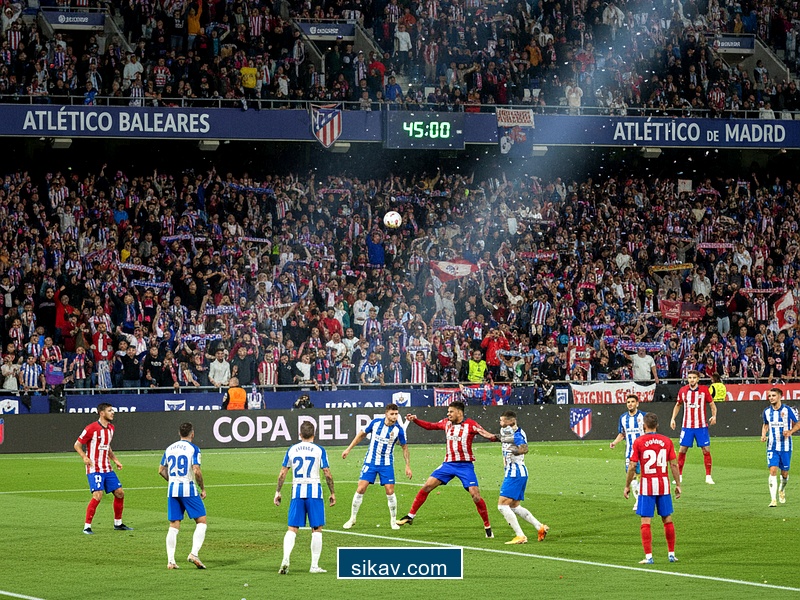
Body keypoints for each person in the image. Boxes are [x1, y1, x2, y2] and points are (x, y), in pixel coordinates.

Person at [396, 401, 496, 538]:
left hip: (465, 466)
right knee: (427, 486)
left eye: (451, 411)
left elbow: (485, 434)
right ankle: (410, 515)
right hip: (448, 465)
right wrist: (416, 420)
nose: (448, 414)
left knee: (475, 495)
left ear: (459, 413)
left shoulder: (471, 424)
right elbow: (431, 426)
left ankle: (487, 527)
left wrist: (498, 438)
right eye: (448, 412)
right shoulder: (446, 423)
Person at [274, 421, 335, 574]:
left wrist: (278, 492)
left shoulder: (292, 449)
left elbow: (282, 473)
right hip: (314, 492)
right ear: (314, 434)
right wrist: (332, 492)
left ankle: (286, 558)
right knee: (317, 529)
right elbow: (327, 473)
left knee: (292, 528)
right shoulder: (319, 450)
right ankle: (314, 565)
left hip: (297, 491)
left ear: (300, 435)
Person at [478, 410, 549, 544]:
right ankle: (539, 527)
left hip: (515, 473)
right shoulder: (509, 432)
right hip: (519, 473)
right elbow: (499, 437)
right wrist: (481, 431)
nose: (500, 422)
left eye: (503, 420)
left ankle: (520, 535)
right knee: (514, 506)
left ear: (511, 421)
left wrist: (515, 451)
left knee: (502, 506)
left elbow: (524, 448)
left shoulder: (517, 434)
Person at [341, 403, 412, 530]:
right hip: (371, 462)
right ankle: (352, 519)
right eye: (392, 414)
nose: (394, 416)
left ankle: (393, 520)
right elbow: (361, 435)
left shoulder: (398, 430)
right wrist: (348, 449)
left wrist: (407, 465)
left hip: (386, 464)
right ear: (386, 414)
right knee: (361, 489)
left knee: (390, 491)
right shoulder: (375, 423)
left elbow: (404, 448)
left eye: (396, 414)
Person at [624, 412, 681, 564]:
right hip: (663, 485)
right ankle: (671, 554)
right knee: (667, 518)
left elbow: (632, 466)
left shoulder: (639, 442)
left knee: (645, 521)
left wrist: (627, 485)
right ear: (657, 425)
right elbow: (674, 465)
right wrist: (678, 485)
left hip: (647, 486)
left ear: (644, 425)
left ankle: (649, 557)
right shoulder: (667, 441)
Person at [74, 402, 132, 534]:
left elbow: (107, 446)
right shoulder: (91, 428)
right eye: (110, 410)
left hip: (107, 468)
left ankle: (118, 523)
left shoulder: (111, 428)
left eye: (112, 410)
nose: (113, 412)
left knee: (120, 493)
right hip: (94, 468)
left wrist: (115, 460)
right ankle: (87, 526)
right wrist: (84, 457)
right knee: (98, 495)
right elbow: (77, 444)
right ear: (102, 413)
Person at [158, 422, 207, 569]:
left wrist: (172, 481)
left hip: (172, 489)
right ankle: (194, 553)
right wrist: (202, 488)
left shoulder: (169, 448)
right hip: (188, 488)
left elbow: (161, 470)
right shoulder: (194, 449)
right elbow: (196, 470)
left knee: (173, 525)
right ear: (192, 434)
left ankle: (171, 561)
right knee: (201, 521)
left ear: (179, 434)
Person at [670, 370, 717, 484]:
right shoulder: (683, 391)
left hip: (701, 426)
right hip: (687, 426)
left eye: (694, 377)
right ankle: (679, 476)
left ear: (698, 379)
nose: (691, 379)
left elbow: (712, 405)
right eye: (690, 377)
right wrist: (673, 418)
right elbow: (678, 405)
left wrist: (714, 416)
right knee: (682, 450)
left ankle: (708, 476)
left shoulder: (704, 390)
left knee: (706, 450)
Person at [761, 388, 798, 507]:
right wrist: (763, 435)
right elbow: (765, 424)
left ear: (780, 396)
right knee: (772, 470)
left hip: (786, 447)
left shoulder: (788, 410)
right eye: (769, 396)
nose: (771, 398)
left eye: (773, 395)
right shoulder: (766, 411)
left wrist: (790, 431)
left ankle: (781, 489)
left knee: (785, 474)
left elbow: (798, 423)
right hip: (772, 446)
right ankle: (773, 500)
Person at [610, 393, 646, 510]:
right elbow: (622, 434)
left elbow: (650, 431)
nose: (630, 404)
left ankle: (641, 499)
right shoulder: (623, 418)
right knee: (631, 476)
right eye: (628, 402)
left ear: (637, 403)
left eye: (632, 402)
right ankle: (638, 499)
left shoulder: (643, 416)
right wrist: (615, 442)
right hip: (629, 452)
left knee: (641, 475)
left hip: (643, 451)